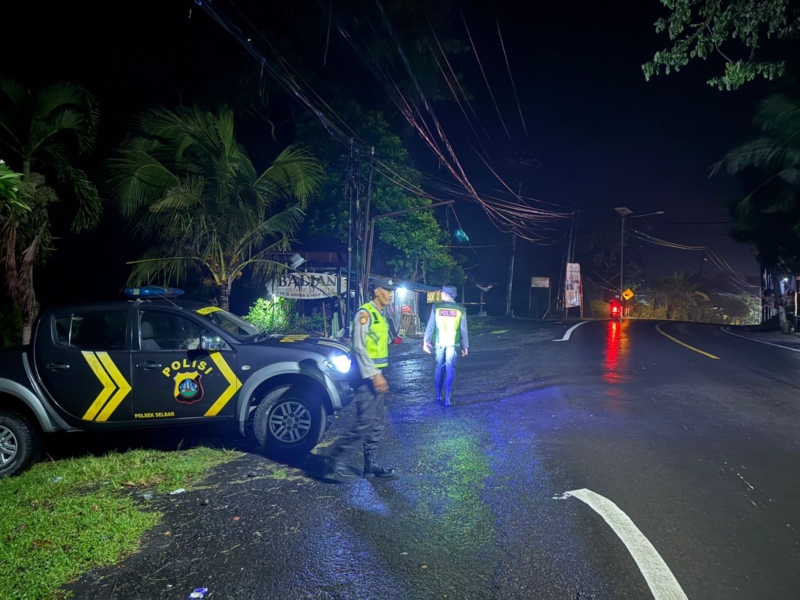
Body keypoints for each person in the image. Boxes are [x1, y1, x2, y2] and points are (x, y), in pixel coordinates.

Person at [328, 278, 398, 478]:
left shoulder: (380, 315)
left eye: (391, 290)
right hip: (363, 375)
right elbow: (359, 346)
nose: (390, 294)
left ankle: (370, 464)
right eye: (387, 290)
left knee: (377, 422)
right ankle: (334, 457)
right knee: (366, 421)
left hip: (376, 374)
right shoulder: (364, 313)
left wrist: (380, 374)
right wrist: (375, 375)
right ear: (377, 291)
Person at [423, 285, 469, 406]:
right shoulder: (460, 309)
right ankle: (448, 398)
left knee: (439, 368)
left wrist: (426, 341)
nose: (441, 294)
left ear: (445, 294)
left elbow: (431, 325)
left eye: (442, 293)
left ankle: (438, 395)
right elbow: (463, 330)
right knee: (451, 369)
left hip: (439, 343)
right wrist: (465, 346)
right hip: (453, 344)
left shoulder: (436, 307)